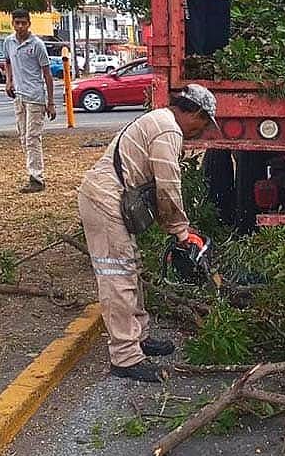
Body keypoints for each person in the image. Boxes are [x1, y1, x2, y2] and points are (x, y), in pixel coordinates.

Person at [78, 84, 219, 382]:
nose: (201, 130)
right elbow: (168, 186)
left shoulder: (159, 120)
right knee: (117, 277)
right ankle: (125, 357)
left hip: (111, 197)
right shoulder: (168, 130)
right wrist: (182, 232)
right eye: (203, 122)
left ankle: (138, 337)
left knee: (131, 270)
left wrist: (179, 229)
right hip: (104, 200)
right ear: (193, 112)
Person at [3, 9, 56, 193]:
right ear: (12, 23)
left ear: (29, 23)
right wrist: (8, 81)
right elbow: (7, 62)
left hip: (35, 97)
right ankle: (32, 172)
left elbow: (47, 75)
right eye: (17, 22)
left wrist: (50, 102)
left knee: (33, 138)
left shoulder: (37, 45)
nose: (20, 26)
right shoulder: (8, 42)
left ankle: (36, 178)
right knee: (24, 137)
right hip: (19, 96)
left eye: (23, 23)